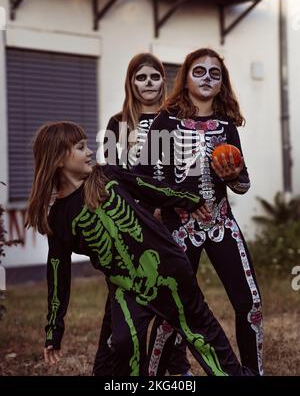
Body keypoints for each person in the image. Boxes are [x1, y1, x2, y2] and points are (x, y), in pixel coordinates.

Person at [25, 121, 254, 376]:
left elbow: (149, 187)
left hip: (167, 268)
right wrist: (53, 330)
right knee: (124, 342)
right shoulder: (58, 218)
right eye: (81, 148)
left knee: (201, 333)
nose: (90, 152)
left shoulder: (106, 176)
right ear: (58, 158)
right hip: (126, 287)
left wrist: (190, 199)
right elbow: (58, 275)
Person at [134, 48, 263, 376]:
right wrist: (163, 211)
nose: (207, 78)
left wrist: (234, 176)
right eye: (199, 71)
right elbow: (144, 177)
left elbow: (242, 185)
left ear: (222, 85)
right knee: (171, 312)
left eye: (215, 73)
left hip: (221, 224)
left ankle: (252, 373)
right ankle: (158, 379)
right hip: (179, 229)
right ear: (186, 78)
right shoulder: (166, 122)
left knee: (251, 305)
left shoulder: (227, 125)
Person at [94, 52, 191, 376]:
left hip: (172, 218)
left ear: (164, 80)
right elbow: (109, 175)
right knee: (120, 295)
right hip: (131, 221)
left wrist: (170, 208)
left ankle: (175, 366)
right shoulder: (117, 124)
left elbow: (184, 170)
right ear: (131, 83)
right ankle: (109, 368)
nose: (148, 84)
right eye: (141, 77)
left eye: (154, 77)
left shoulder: (178, 120)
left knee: (175, 293)